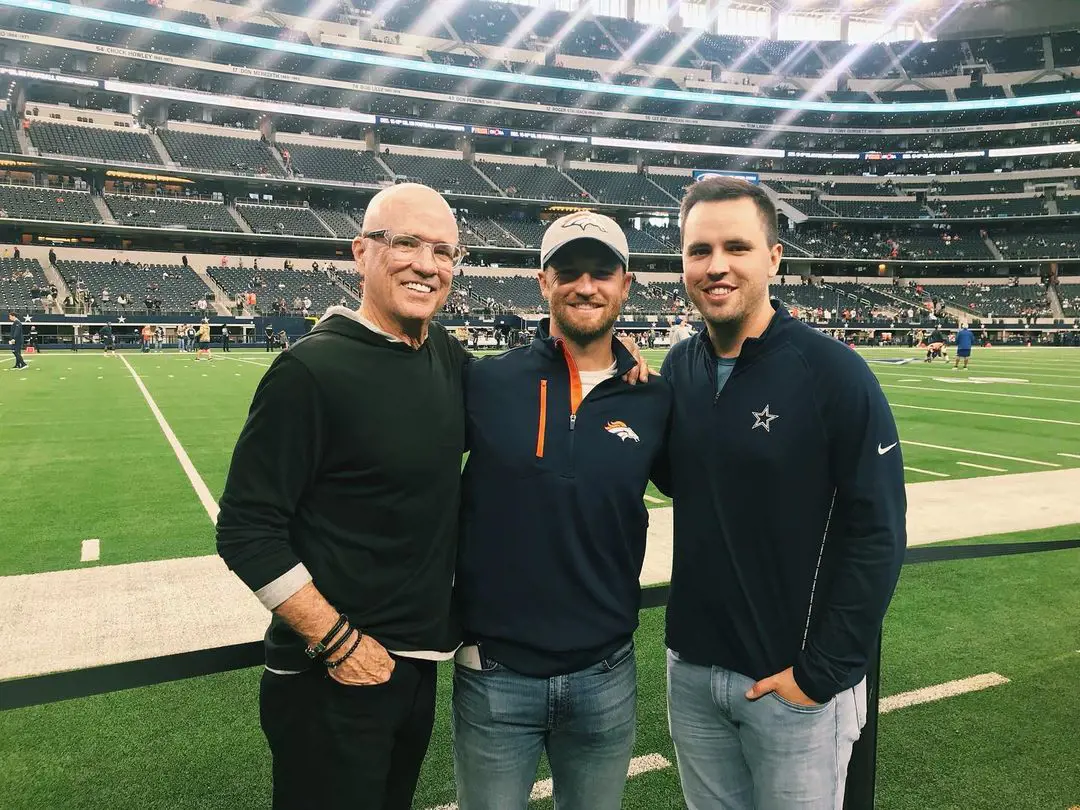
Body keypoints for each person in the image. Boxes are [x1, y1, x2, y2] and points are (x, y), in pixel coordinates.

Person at [216, 183, 473, 810]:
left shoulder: (443, 353)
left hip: (413, 665)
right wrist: (337, 642)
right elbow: (246, 530)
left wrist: (610, 357)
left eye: (443, 251)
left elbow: (528, 393)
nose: (426, 264)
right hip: (330, 672)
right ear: (361, 252)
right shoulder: (309, 371)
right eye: (406, 243)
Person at [658, 177, 907, 810]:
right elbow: (679, 478)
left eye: (737, 247)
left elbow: (877, 530)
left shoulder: (832, 372)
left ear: (773, 258)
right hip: (691, 672)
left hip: (791, 682)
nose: (716, 267)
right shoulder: (679, 368)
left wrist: (820, 674)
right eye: (699, 250)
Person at [452, 213, 671, 810]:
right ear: (543, 281)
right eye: (568, 271)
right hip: (496, 673)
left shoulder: (653, 397)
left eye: (602, 272)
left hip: (605, 671)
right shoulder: (486, 381)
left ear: (626, 284)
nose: (585, 285)